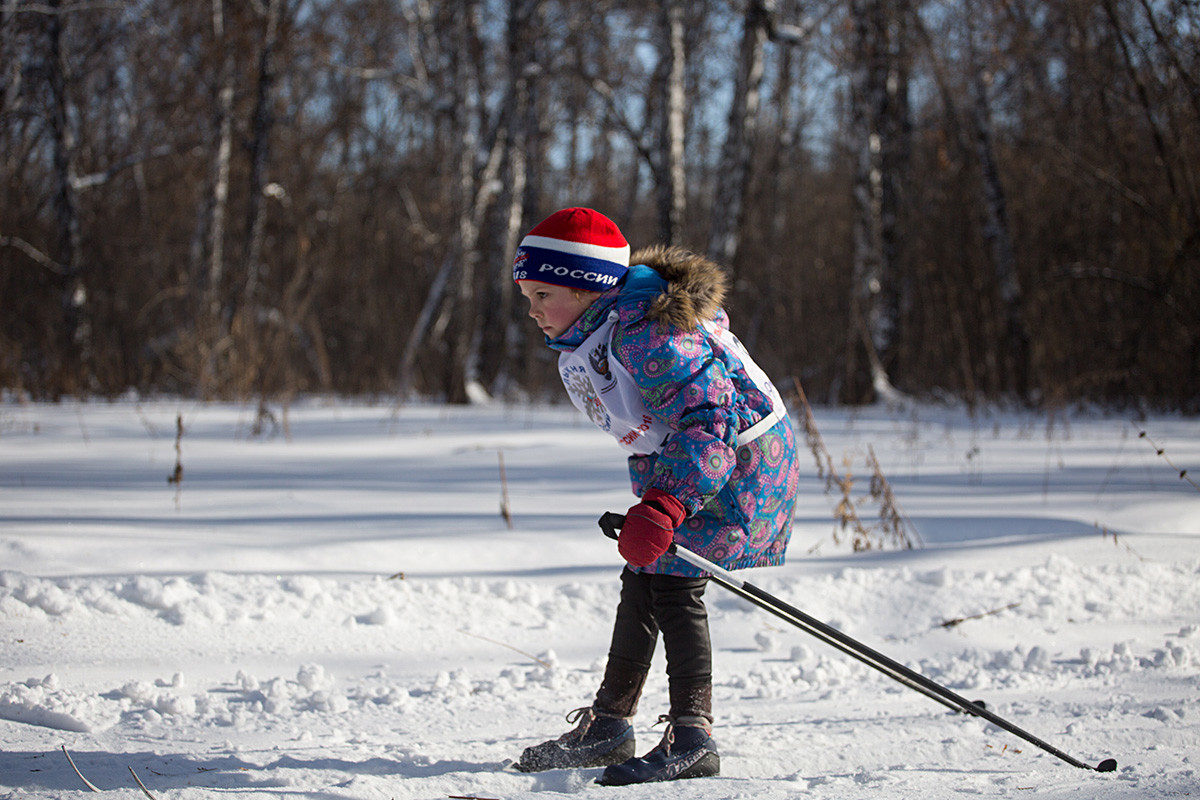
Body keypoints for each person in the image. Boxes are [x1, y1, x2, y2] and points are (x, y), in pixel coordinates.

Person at [510, 207, 800, 786]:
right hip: (695, 463)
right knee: (644, 576)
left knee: (672, 584)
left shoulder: (648, 334)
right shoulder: (609, 328)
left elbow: (711, 422)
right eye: (527, 296)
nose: (534, 310)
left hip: (738, 465)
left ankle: (694, 735)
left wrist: (667, 505)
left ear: (588, 286)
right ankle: (611, 725)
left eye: (544, 294)